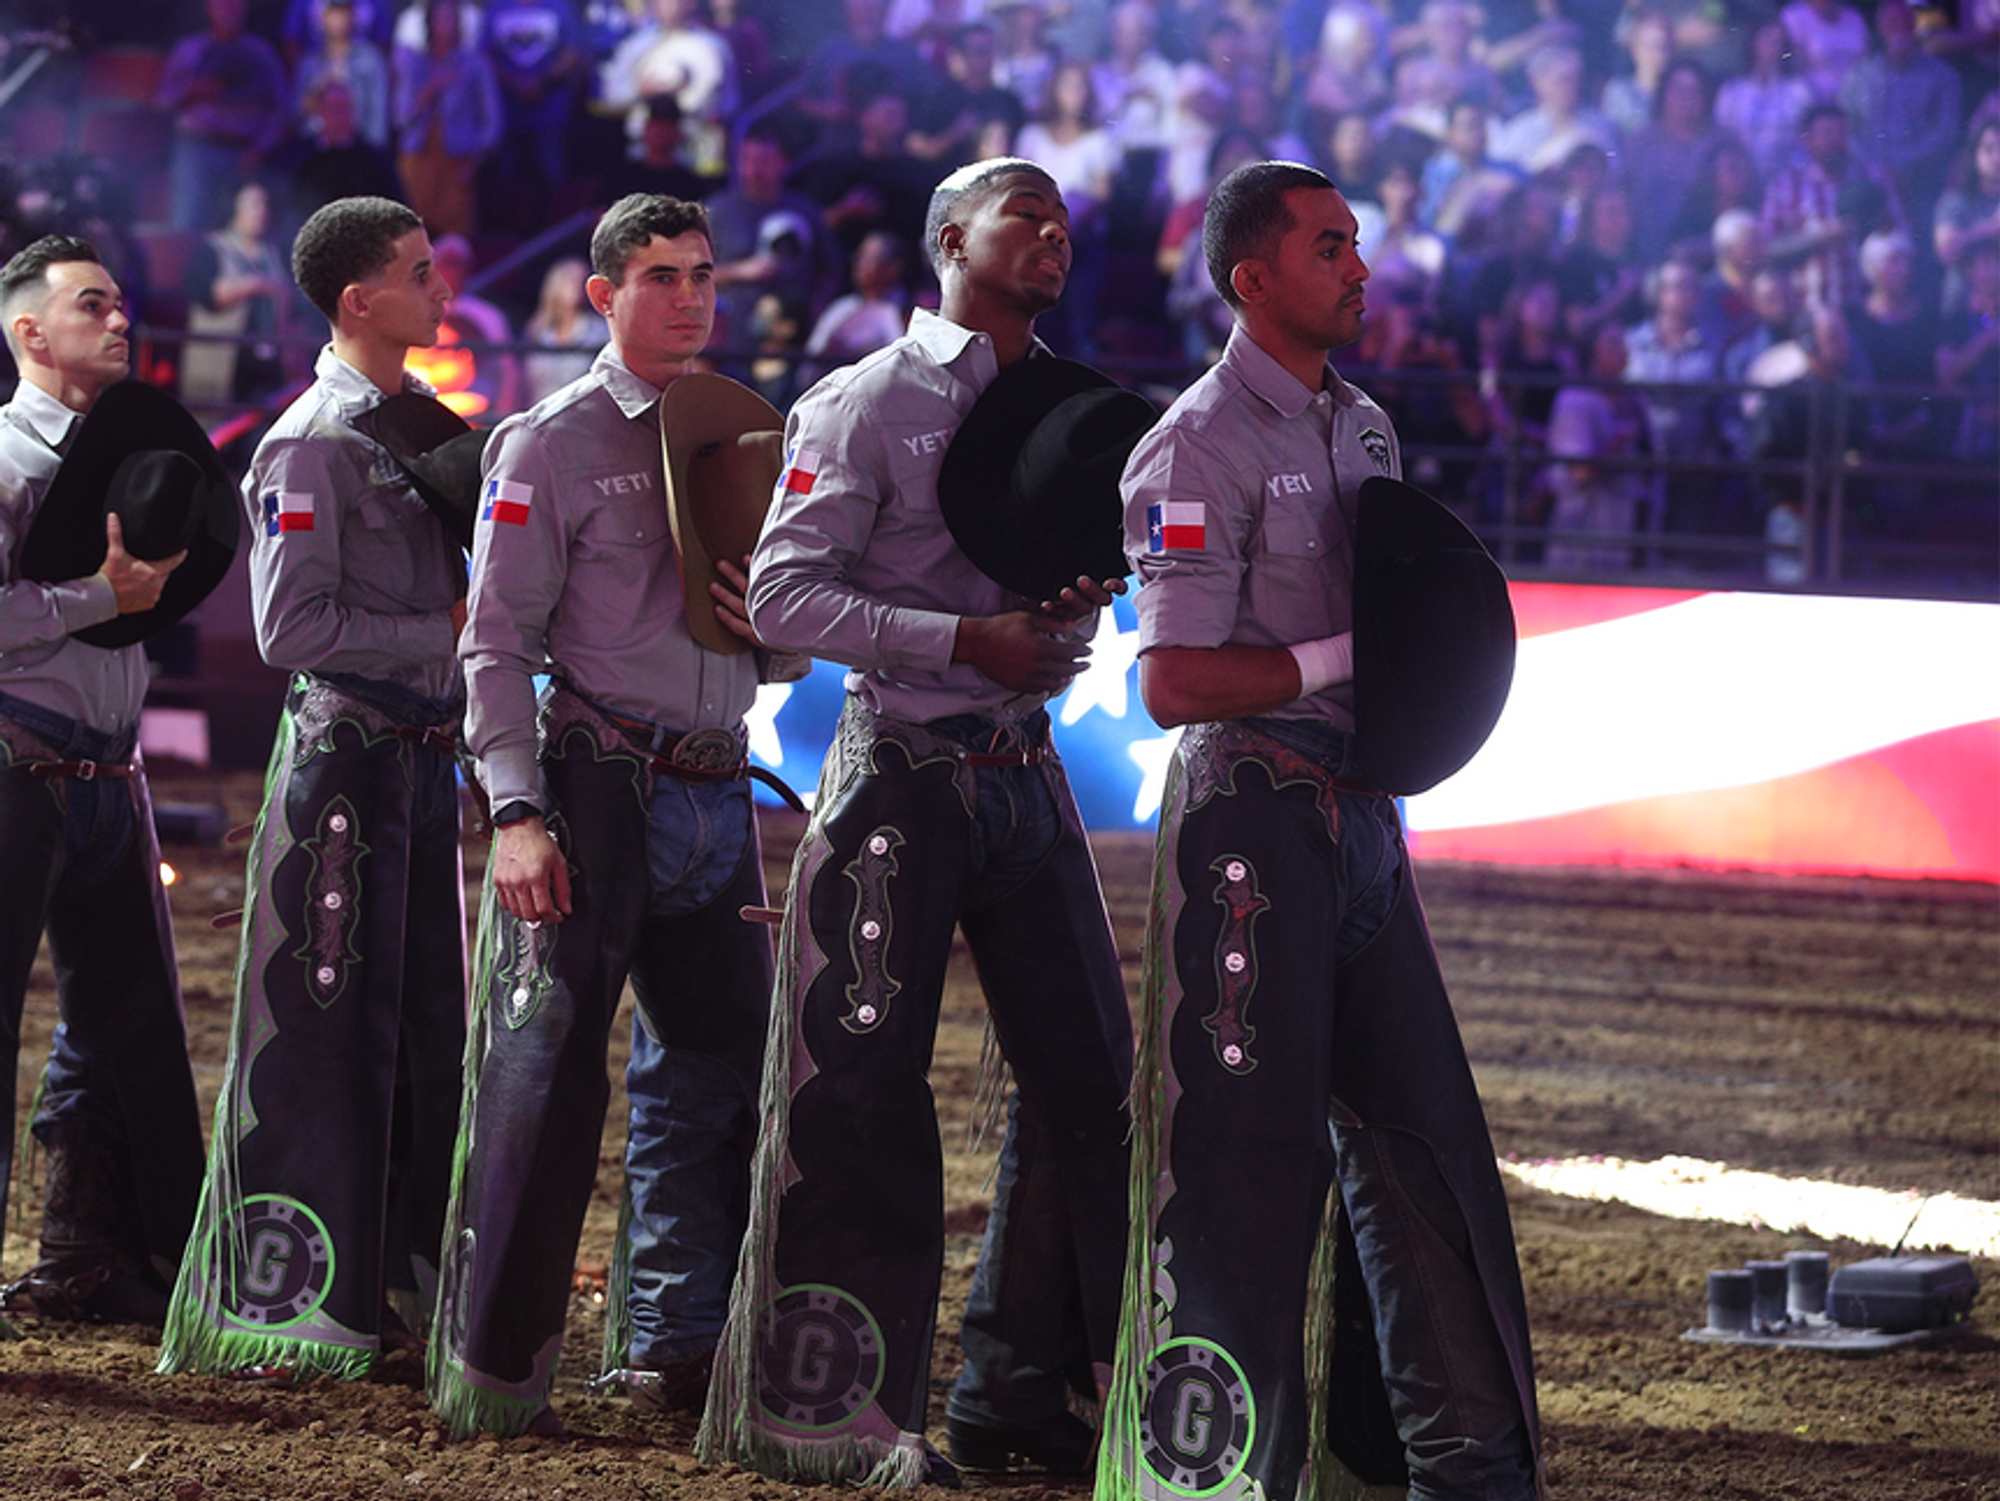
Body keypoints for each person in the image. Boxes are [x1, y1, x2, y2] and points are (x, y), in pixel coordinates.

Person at [1102, 159, 1542, 1501]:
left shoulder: (1362, 427)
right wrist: (1352, 656)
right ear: (1254, 278)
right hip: (1250, 820)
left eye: (1357, 245)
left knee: (1428, 1147)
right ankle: (1217, 1472)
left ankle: (1467, 1471)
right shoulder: (1193, 445)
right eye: (1332, 248)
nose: (1361, 269)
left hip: (1357, 819)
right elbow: (1171, 683)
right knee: (1243, 1161)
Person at [697, 157, 1136, 1487]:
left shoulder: (1072, 402)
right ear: (950, 238)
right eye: (1024, 213)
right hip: (900, 769)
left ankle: (1016, 1389)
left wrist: (1060, 630)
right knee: (860, 1095)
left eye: (1064, 218)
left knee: (1096, 1087)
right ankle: (829, 1411)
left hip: (1017, 762)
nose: (1053, 231)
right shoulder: (863, 400)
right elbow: (779, 593)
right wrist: (970, 639)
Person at [427, 192, 804, 1438]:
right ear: (601, 293)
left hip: (710, 780)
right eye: (658, 275)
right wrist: (517, 810)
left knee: (716, 1079)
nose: (690, 294)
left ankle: (674, 1339)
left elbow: (778, 653)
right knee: (543, 1079)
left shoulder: (745, 435)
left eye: (700, 272)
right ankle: (495, 1369)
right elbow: (491, 643)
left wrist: (777, 635)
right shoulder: (545, 441)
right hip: (595, 787)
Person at [156, 195, 470, 1382]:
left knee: (421, 1023)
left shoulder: (407, 423)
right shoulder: (309, 442)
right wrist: (441, 630)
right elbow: (292, 629)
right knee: (327, 1028)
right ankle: (295, 1297)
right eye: (421, 272)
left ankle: (390, 1282)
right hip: (344, 768)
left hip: (412, 759)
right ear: (360, 300)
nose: (441, 291)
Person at [0, 236, 207, 1327]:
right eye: (92, 304)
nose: (121, 319)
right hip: (18, 767)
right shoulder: (0, 459)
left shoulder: (125, 457)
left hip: (103, 774)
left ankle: (98, 1256)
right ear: (29, 332)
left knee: (132, 1030)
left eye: (122, 302)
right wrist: (98, 595)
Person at [157, 0, 290, 233]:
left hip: (244, 154)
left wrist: (260, 149)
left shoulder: (261, 54)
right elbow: (163, 101)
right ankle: (190, 269)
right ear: (209, 8)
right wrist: (192, 91)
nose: (229, 10)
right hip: (196, 150)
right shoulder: (190, 50)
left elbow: (280, 110)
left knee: (243, 227)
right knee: (188, 223)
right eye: (222, 4)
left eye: (235, 5)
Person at [393, 0, 504, 240]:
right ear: (428, 23)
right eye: (439, 19)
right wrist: (429, 90)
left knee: (456, 237)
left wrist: (476, 157)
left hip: (457, 163)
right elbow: (401, 116)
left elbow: (492, 120)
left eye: (450, 18)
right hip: (417, 161)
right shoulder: (413, 64)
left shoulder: (475, 64)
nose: (445, 25)